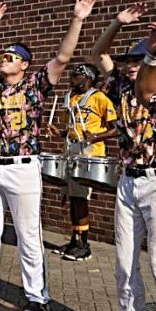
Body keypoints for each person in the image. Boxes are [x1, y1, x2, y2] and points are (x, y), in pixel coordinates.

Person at [0, 0, 96, 311]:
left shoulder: (35, 85)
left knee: (28, 234)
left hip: (23, 168)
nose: (4, 58)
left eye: (11, 56)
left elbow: (62, 59)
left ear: (23, 64)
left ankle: (36, 295)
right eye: (3, 55)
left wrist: (77, 20)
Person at [89, 4, 156, 311]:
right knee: (124, 260)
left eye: (135, 61)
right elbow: (98, 53)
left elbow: (147, 92)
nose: (129, 65)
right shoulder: (118, 85)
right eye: (129, 61)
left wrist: (152, 53)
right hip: (128, 179)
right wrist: (116, 24)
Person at [46, 63, 117, 261]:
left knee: (80, 198)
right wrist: (59, 133)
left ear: (87, 77)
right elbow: (72, 129)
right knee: (71, 196)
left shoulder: (99, 98)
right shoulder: (69, 97)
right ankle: (74, 239)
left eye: (76, 75)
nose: (71, 78)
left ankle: (84, 244)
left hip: (88, 154)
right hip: (70, 150)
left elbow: (116, 128)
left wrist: (95, 137)